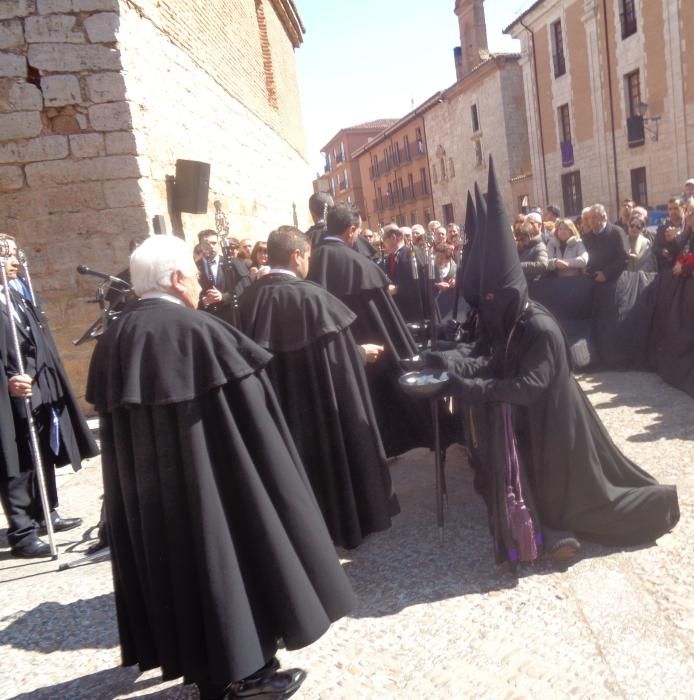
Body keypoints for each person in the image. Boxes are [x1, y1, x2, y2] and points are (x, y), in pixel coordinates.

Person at [85, 235, 356, 699]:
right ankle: (248, 676)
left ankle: (208, 671)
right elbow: (253, 422)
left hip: (153, 500)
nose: (194, 281)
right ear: (175, 280)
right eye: (190, 272)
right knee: (226, 562)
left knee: (179, 572)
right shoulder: (200, 332)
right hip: (212, 485)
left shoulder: (114, 339)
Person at [428, 160, 679, 563]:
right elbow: (495, 360)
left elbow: (528, 387)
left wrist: (470, 386)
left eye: (493, 299)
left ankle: (647, 508)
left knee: (579, 499)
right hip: (533, 419)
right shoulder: (508, 319)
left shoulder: (539, 328)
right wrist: (447, 363)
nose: (488, 307)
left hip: (557, 422)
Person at [238, 226, 399, 549]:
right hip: (319, 413)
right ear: (297, 256)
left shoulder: (249, 298)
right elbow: (336, 361)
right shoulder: (311, 297)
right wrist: (360, 353)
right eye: (308, 256)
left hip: (278, 412)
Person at [308, 204, 449, 458]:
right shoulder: (359, 265)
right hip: (368, 355)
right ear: (351, 231)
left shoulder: (309, 262)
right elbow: (386, 324)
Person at [0, 235, 97, 558]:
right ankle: (22, 532)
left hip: (31, 387)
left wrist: (34, 373)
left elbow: (30, 341)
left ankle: (44, 512)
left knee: (38, 452)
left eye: (15, 255)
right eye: (7, 256)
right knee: (14, 461)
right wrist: (9, 381)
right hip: (7, 395)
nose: (15, 262)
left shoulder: (15, 297)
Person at [195, 228, 251, 327]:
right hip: (206, 319)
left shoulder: (232, 263)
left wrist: (223, 296)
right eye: (206, 244)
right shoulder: (194, 267)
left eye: (214, 243)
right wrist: (201, 300)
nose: (211, 246)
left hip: (230, 318)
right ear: (200, 246)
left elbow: (245, 286)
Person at [380, 223, 428, 324]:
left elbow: (421, 283)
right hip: (399, 312)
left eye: (383, 239)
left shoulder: (412, 254)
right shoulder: (390, 258)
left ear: (393, 237)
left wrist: (398, 289)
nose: (382, 243)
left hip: (415, 312)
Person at [583, 203, 629, 284]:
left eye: (594, 217)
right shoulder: (587, 236)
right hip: (592, 281)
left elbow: (624, 258)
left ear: (604, 217)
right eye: (589, 218)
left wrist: (606, 274)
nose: (590, 221)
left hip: (613, 282)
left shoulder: (617, 232)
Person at [654, 197, 686, 271]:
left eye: (675, 208)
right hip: (667, 270)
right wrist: (662, 251)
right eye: (670, 209)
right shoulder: (662, 228)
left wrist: (673, 240)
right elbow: (655, 247)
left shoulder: (689, 227)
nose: (672, 211)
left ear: (683, 208)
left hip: (684, 269)